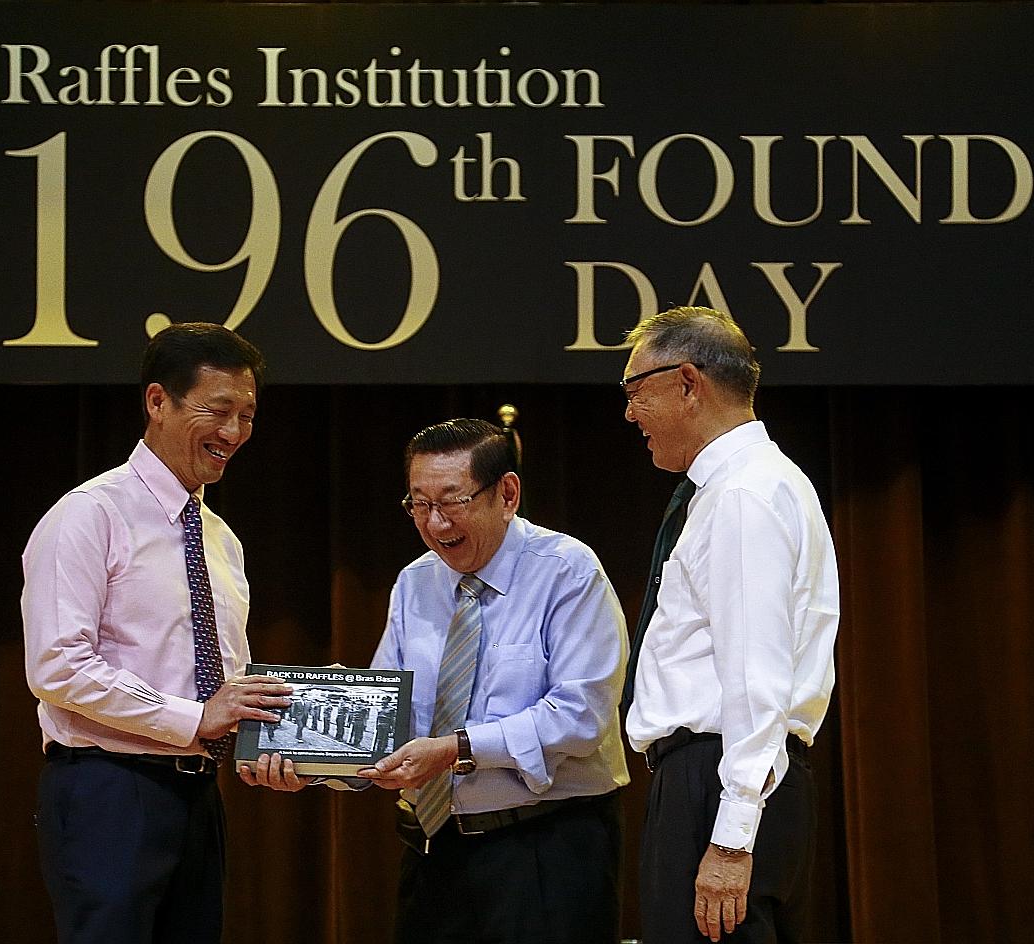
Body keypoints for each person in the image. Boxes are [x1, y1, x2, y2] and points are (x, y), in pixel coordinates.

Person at [22, 322, 307, 944]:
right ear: (158, 402)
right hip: (107, 791)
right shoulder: (88, 514)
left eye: (248, 416)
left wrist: (267, 747)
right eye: (217, 411)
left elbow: (230, 683)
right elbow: (57, 666)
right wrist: (194, 718)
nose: (234, 433)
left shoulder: (222, 540)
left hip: (198, 797)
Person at [358, 418, 631, 944]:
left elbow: (581, 716)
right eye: (419, 503)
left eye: (452, 501)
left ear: (507, 493)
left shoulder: (567, 572)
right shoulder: (416, 583)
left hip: (546, 849)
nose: (436, 524)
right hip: (433, 848)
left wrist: (457, 749)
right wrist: (316, 759)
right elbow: (385, 709)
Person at [619, 307, 840, 944]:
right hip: (734, 780)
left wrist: (732, 837)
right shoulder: (758, 484)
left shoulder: (743, 494)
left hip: (720, 784)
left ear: (688, 382)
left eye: (635, 391)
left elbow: (755, 675)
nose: (630, 414)